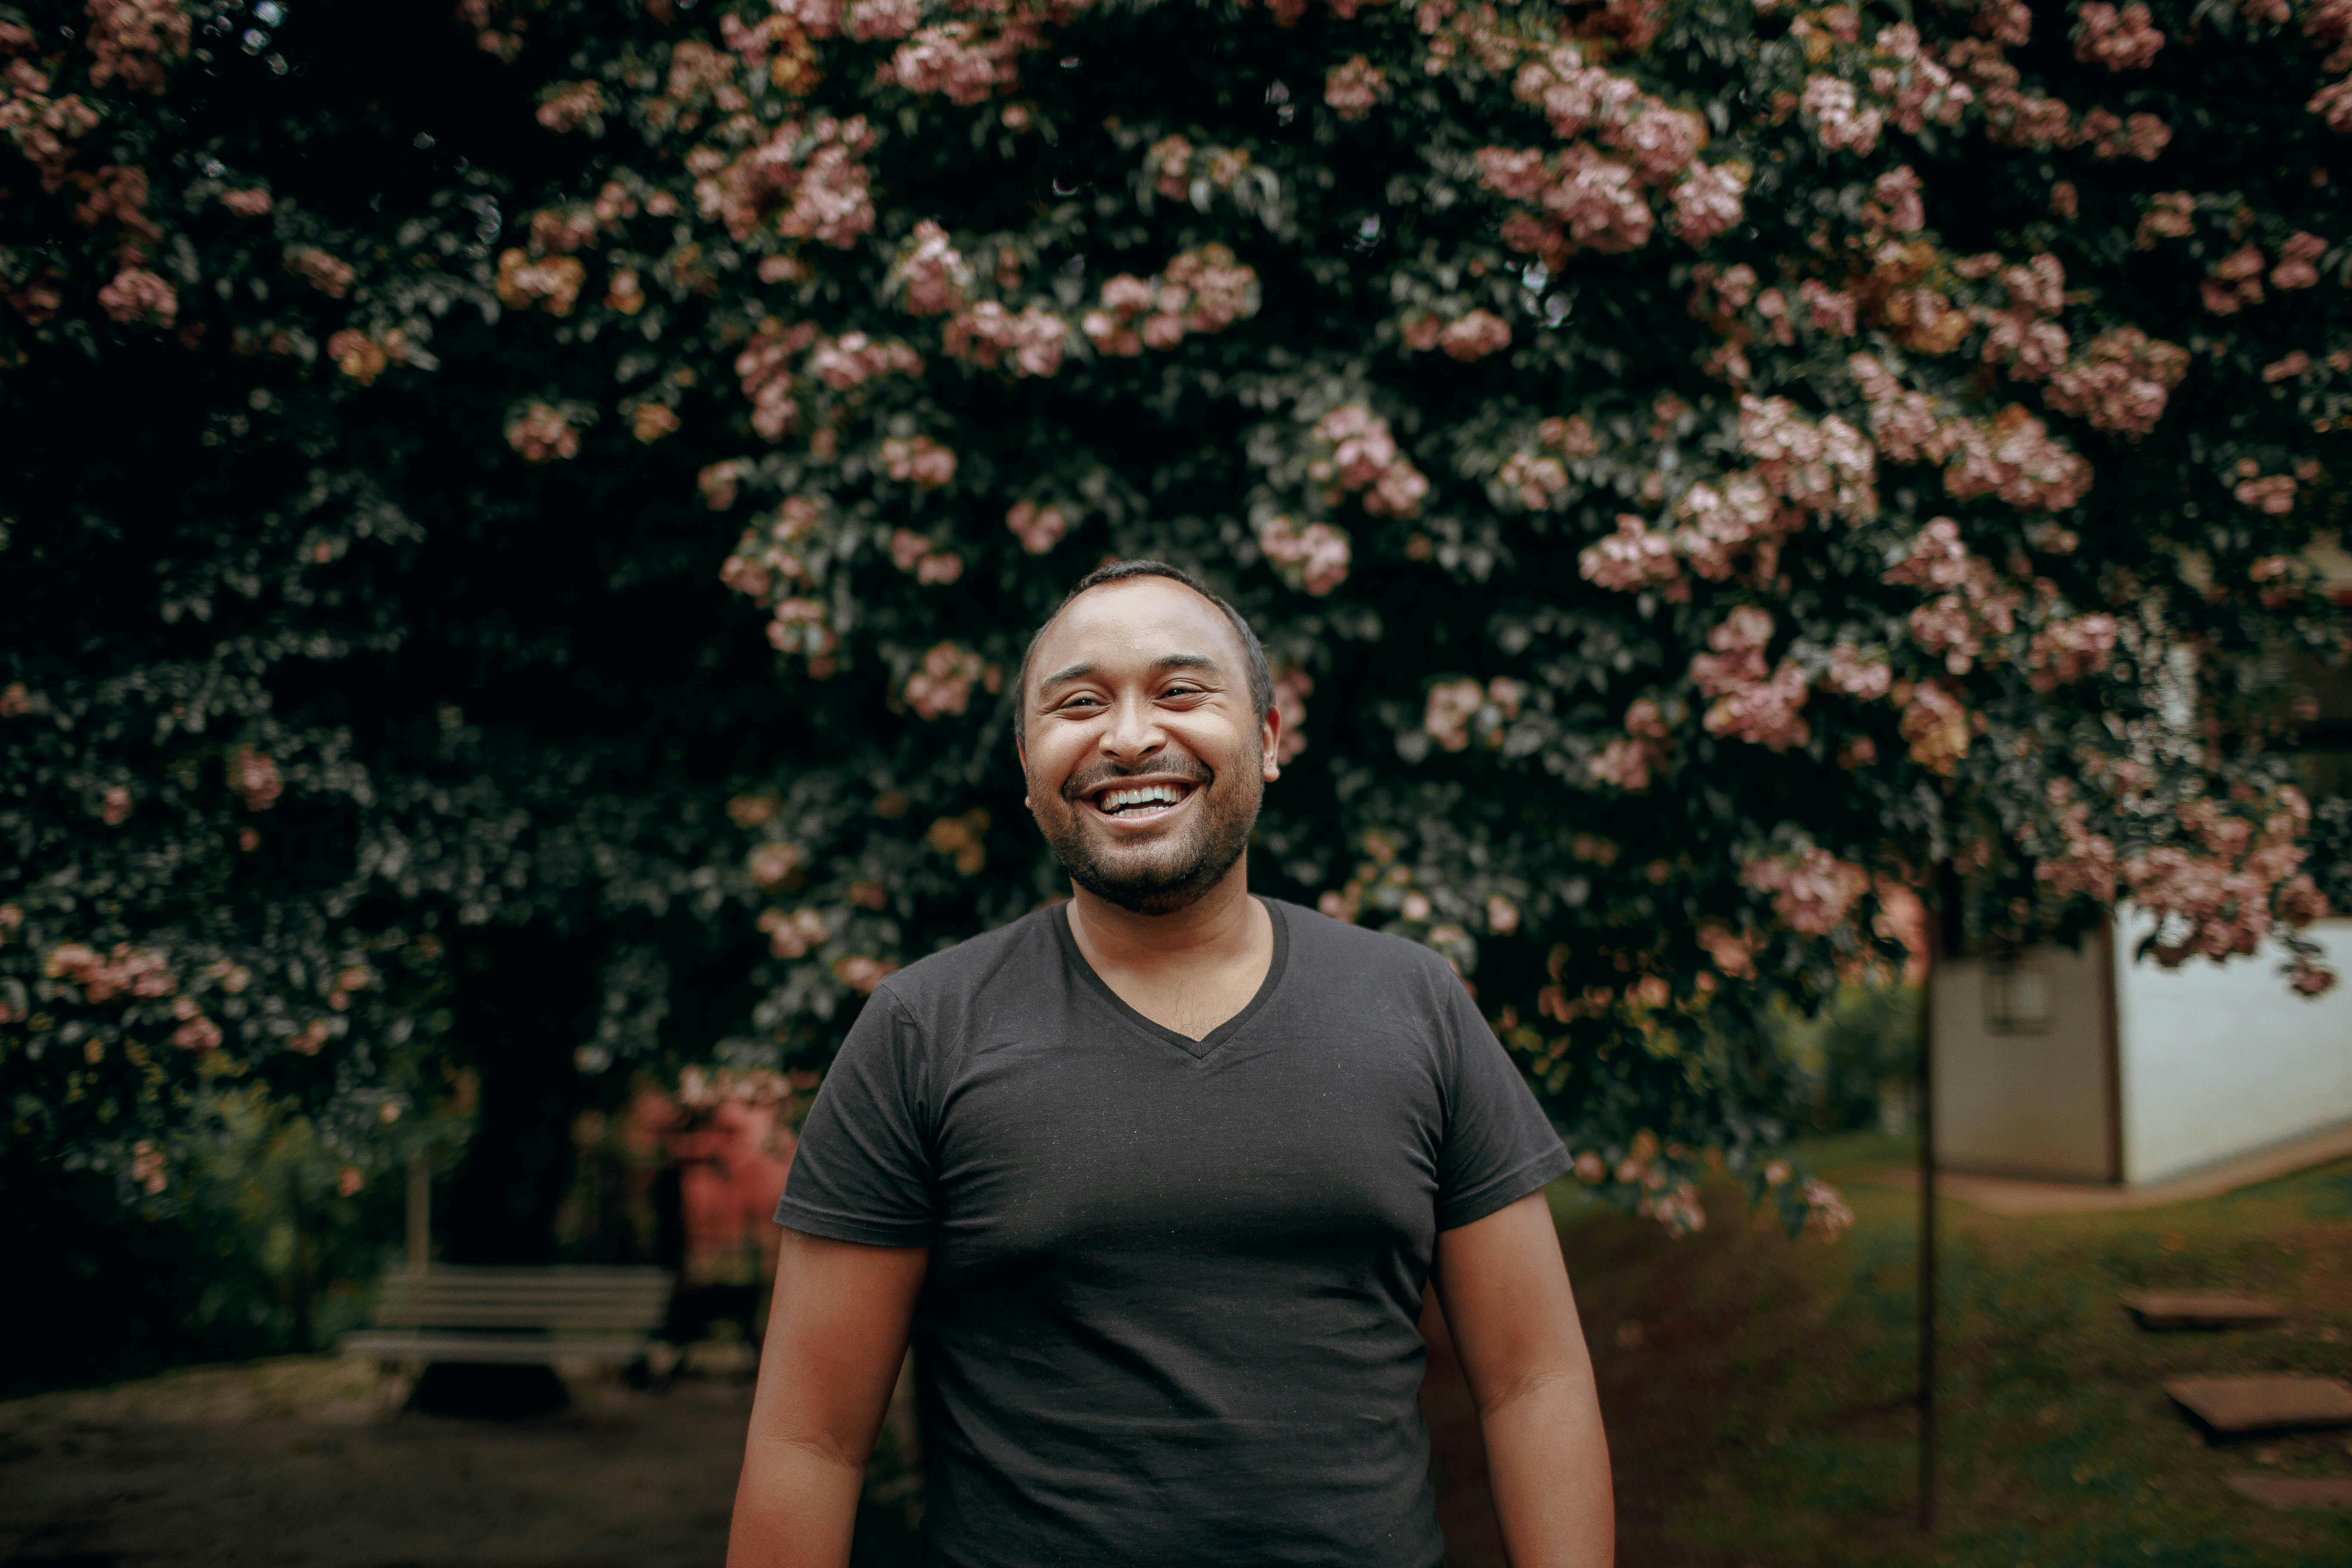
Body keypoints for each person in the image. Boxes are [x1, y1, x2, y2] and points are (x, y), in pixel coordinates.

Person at [729, 561, 1613, 1568]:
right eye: (1079, 704)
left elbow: (1533, 1380)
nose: (1131, 736)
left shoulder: (1413, 1005)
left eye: (1181, 691)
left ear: (1270, 741)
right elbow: (812, 1443)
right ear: (1028, 770)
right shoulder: (921, 1031)